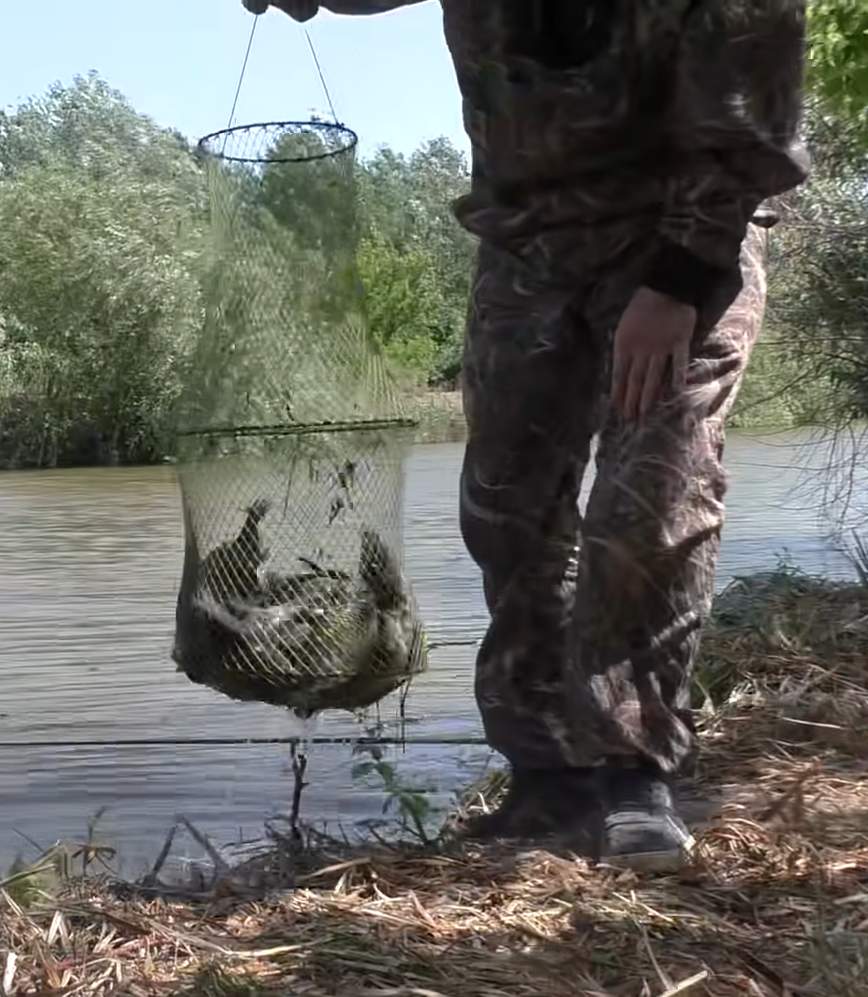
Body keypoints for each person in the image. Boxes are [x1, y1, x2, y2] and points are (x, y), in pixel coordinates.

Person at [241, 0, 810, 871]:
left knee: (652, 497)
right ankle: (545, 774)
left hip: (677, 238)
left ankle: (632, 772)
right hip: (527, 248)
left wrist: (681, 275)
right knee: (508, 511)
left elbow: (749, 127)